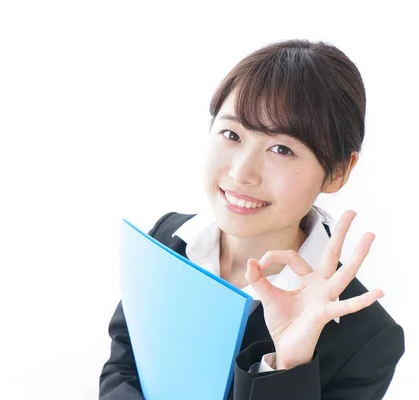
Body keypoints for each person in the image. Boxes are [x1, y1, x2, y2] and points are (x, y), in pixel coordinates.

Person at [99, 39, 405, 400]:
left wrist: (287, 366)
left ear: (338, 171)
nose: (243, 172)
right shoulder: (168, 238)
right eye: (232, 134)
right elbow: (124, 360)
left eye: (282, 149)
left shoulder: (367, 339)